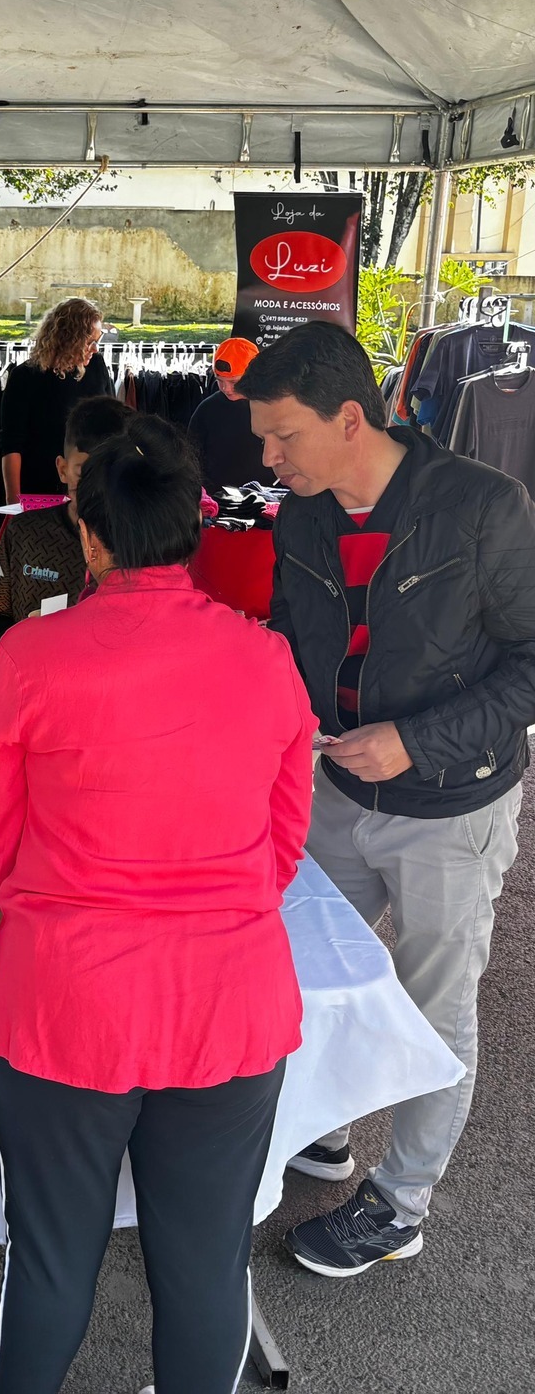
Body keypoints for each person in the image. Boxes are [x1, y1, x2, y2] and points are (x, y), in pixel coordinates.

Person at [0, 416, 315, 1394]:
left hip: (69, 1001)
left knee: (54, 1253)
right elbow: (282, 850)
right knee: (203, 1263)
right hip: (229, 1002)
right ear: (190, 528)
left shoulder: (31, 658)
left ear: (89, 531)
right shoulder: (266, 659)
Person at [242, 321, 535, 1277]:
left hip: (452, 807)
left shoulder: (485, 506)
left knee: (434, 1004)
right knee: (295, 972)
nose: (266, 457)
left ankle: (401, 1202)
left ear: (352, 419)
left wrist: (413, 740)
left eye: (282, 436)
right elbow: (291, 635)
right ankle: (322, 1125)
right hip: (333, 791)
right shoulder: (304, 513)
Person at [0, 394, 133, 641]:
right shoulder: (23, 532)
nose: (98, 485)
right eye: (85, 471)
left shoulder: (143, 545)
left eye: (112, 471)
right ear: (62, 469)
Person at [0, 296, 113, 502]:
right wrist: (14, 503)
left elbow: (114, 426)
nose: (95, 349)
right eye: (90, 342)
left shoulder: (96, 366)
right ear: (70, 339)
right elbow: (11, 445)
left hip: (91, 490)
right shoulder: (25, 377)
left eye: (98, 341)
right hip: (39, 489)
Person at [187, 336, 268, 490]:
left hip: (270, 496)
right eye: (220, 380)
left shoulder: (275, 406)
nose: (226, 389)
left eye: (234, 382)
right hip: (218, 499)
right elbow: (192, 457)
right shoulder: (207, 410)